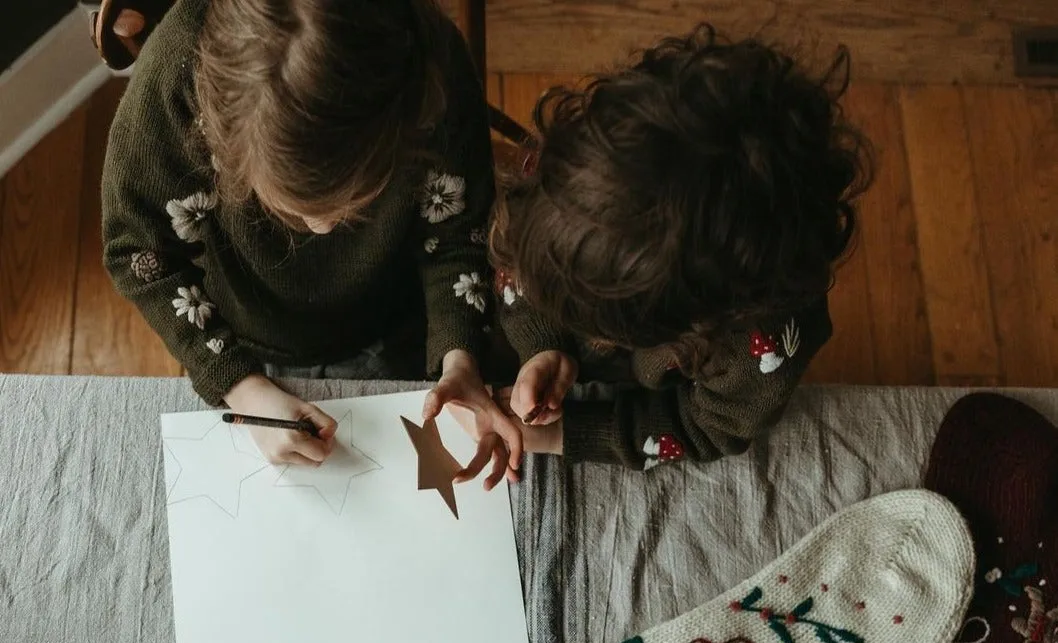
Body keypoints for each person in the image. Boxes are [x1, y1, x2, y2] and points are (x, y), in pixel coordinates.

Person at [102, 0, 519, 485]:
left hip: (404, 317)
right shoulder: (177, 75)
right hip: (242, 335)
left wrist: (460, 357)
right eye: (292, 210)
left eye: (352, 202)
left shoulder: (430, 69)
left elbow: (457, 233)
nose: (322, 229)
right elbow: (138, 250)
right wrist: (240, 384)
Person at [486, 26, 873, 470]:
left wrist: (565, 434)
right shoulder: (564, 180)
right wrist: (542, 343)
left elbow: (706, 427)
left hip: (659, 395)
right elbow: (518, 260)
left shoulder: (761, 348)